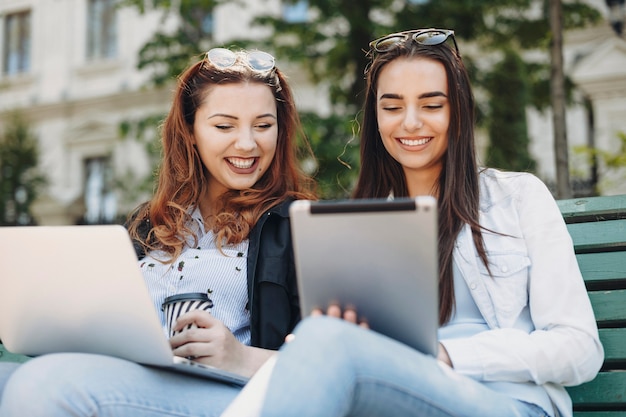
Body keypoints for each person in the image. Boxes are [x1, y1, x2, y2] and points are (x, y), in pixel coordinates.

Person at [223, 28, 604, 417]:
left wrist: (445, 354)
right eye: (391, 107)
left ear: (458, 109)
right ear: (375, 117)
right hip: (396, 399)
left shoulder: (518, 197)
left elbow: (579, 348)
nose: (410, 123)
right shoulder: (362, 224)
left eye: (431, 105)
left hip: (509, 403)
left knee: (321, 340)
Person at [0, 47, 316, 417]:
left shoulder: (296, 228)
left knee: (44, 385)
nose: (247, 143)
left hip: (234, 395)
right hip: (136, 378)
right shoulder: (149, 225)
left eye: (263, 125)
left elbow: (331, 367)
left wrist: (238, 355)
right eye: (224, 126)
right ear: (191, 131)